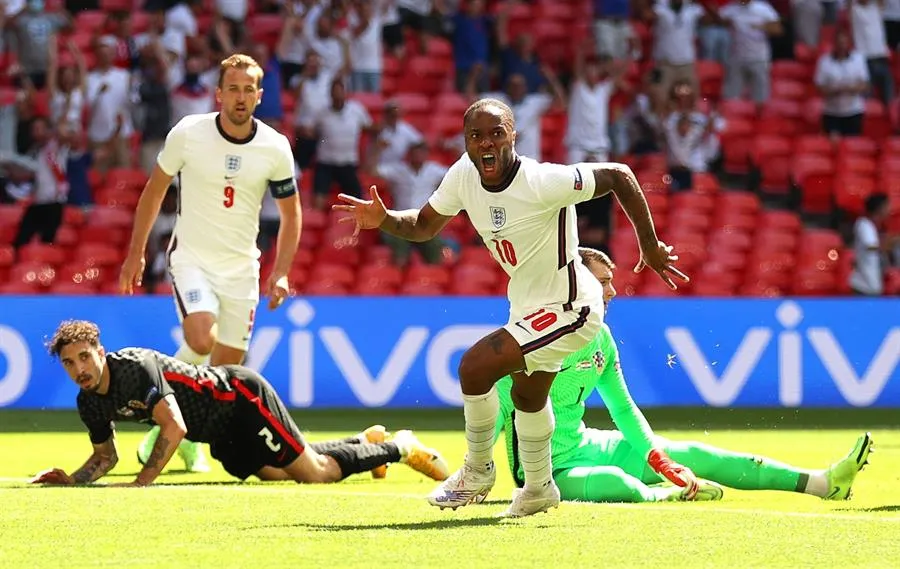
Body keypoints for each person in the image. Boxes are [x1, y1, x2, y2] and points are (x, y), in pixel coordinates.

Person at [333, 97, 688, 517]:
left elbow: (619, 175)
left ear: (513, 136)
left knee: (474, 367)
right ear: (466, 141)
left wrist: (649, 244)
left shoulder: (541, 181)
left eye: (496, 133)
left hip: (572, 306)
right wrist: (385, 218)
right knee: (528, 395)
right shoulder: (463, 175)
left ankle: (477, 470)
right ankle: (539, 488)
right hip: (528, 307)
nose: (486, 142)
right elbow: (424, 225)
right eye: (476, 135)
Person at [494, 248, 874, 503]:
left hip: (590, 445)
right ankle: (666, 495)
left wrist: (660, 460)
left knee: (693, 454)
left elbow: (622, 408)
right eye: (602, 281)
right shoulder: (530, 339)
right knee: (616, 482)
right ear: (575, 285)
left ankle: (823, 483)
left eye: (611, 281)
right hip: (548, 469)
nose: (612, 291)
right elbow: (496, 409)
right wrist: (475, 471)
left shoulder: (601, 339)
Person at [117, 54, 302, 473]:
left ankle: (179, 437)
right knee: (202, 339)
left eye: (248, 90)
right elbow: (154, 191)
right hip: (192, 259)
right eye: (232, 88)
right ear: (219, 94)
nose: (240, 97)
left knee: (224, 376)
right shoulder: (189, 133)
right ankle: (162, 420)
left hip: (242, 269)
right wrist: (135, 252)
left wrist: (282, 271)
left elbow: (291, 214)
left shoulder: (275, 147)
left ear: (259, 96)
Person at [31, 320, 450, 487]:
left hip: (239, 398)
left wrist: (143, 482)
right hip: (220, 433)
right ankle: (363, 443)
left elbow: (174, 427)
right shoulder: (89, 402)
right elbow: (105, 457)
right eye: (69, 363)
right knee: (278, 472)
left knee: (315, 474)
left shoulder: (135, 368)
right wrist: (72, 480)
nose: (79, 368)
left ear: (101, 352)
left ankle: (399, 447)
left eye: (84, 357)